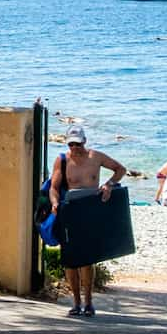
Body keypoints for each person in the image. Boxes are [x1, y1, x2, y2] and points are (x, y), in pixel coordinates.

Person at [49, 124, 125, 318]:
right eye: (71, 144)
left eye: (77, 144)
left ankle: (89, 303)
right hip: (70, 210)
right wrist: (55, 203)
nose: (74, 148)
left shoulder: (96, 157)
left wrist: (108, 185)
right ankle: (76, 302)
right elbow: (54, 187)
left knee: (87, 260)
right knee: (70, 260)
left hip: (90, 211)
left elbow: (120, 170)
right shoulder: (63, 160)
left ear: (84, 142)